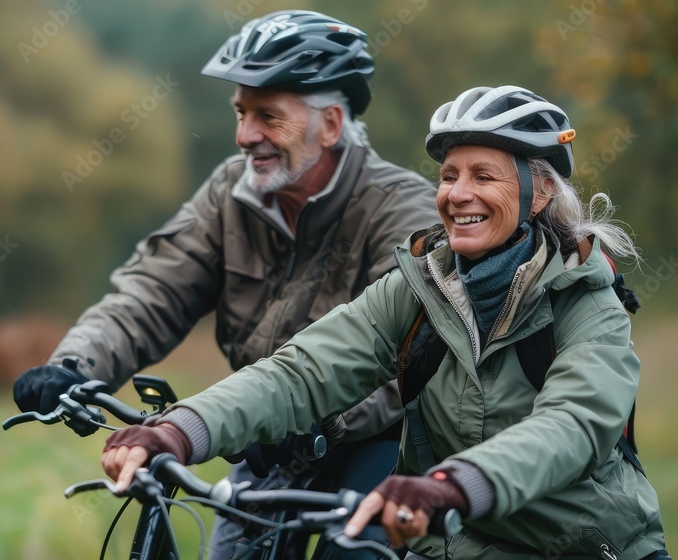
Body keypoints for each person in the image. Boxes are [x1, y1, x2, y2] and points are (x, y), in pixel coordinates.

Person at [101, 85, 671, 560]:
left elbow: (572, 426)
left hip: (580, 548)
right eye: (449, 176)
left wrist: (449, 486)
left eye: (484, 176)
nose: (459, 194)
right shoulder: (422, 286)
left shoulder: (587, 299)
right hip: (450, 547)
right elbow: (303, 372)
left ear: (540, 191)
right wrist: (177, 430)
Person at [13, 10, 439, 559]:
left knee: (356, 552)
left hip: (380, 444)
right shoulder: (228, 195)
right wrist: (75, 365)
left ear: (331, 123)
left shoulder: (402, 210)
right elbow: (151, 292)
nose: (244, 136)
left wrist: (309, 420)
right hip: (264, 437)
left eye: (267, 116)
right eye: (241, 113)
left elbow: (406, 354)